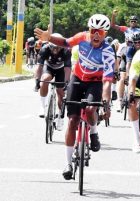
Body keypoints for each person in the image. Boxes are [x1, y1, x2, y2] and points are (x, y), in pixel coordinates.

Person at [34, 13, 115, 180]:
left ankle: (93, 132)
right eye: (94, 30)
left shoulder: (108, 51)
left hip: (95, 82)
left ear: (106, 34)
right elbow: (65, 42)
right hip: (77, 79)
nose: (96, 35)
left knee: (92, 108)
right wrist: (49, 37)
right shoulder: (82, 38)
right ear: (89, 30)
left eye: (101, 32)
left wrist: (106, 102)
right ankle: (68, 163)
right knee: (72, 121)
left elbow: (107, 81)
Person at [37, 33, 72, 132]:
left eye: (58, 48)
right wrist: (37, 80)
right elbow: (39, 66)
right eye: (53, 48)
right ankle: (42, 106)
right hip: (49, 68)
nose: (55, 51)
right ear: (49, 45)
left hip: (61, 70)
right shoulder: (44, 49)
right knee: (45, 79)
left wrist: (66, 82)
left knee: (60, 93)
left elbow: (68, 69)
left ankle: (60, 116)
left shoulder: (66, 51)